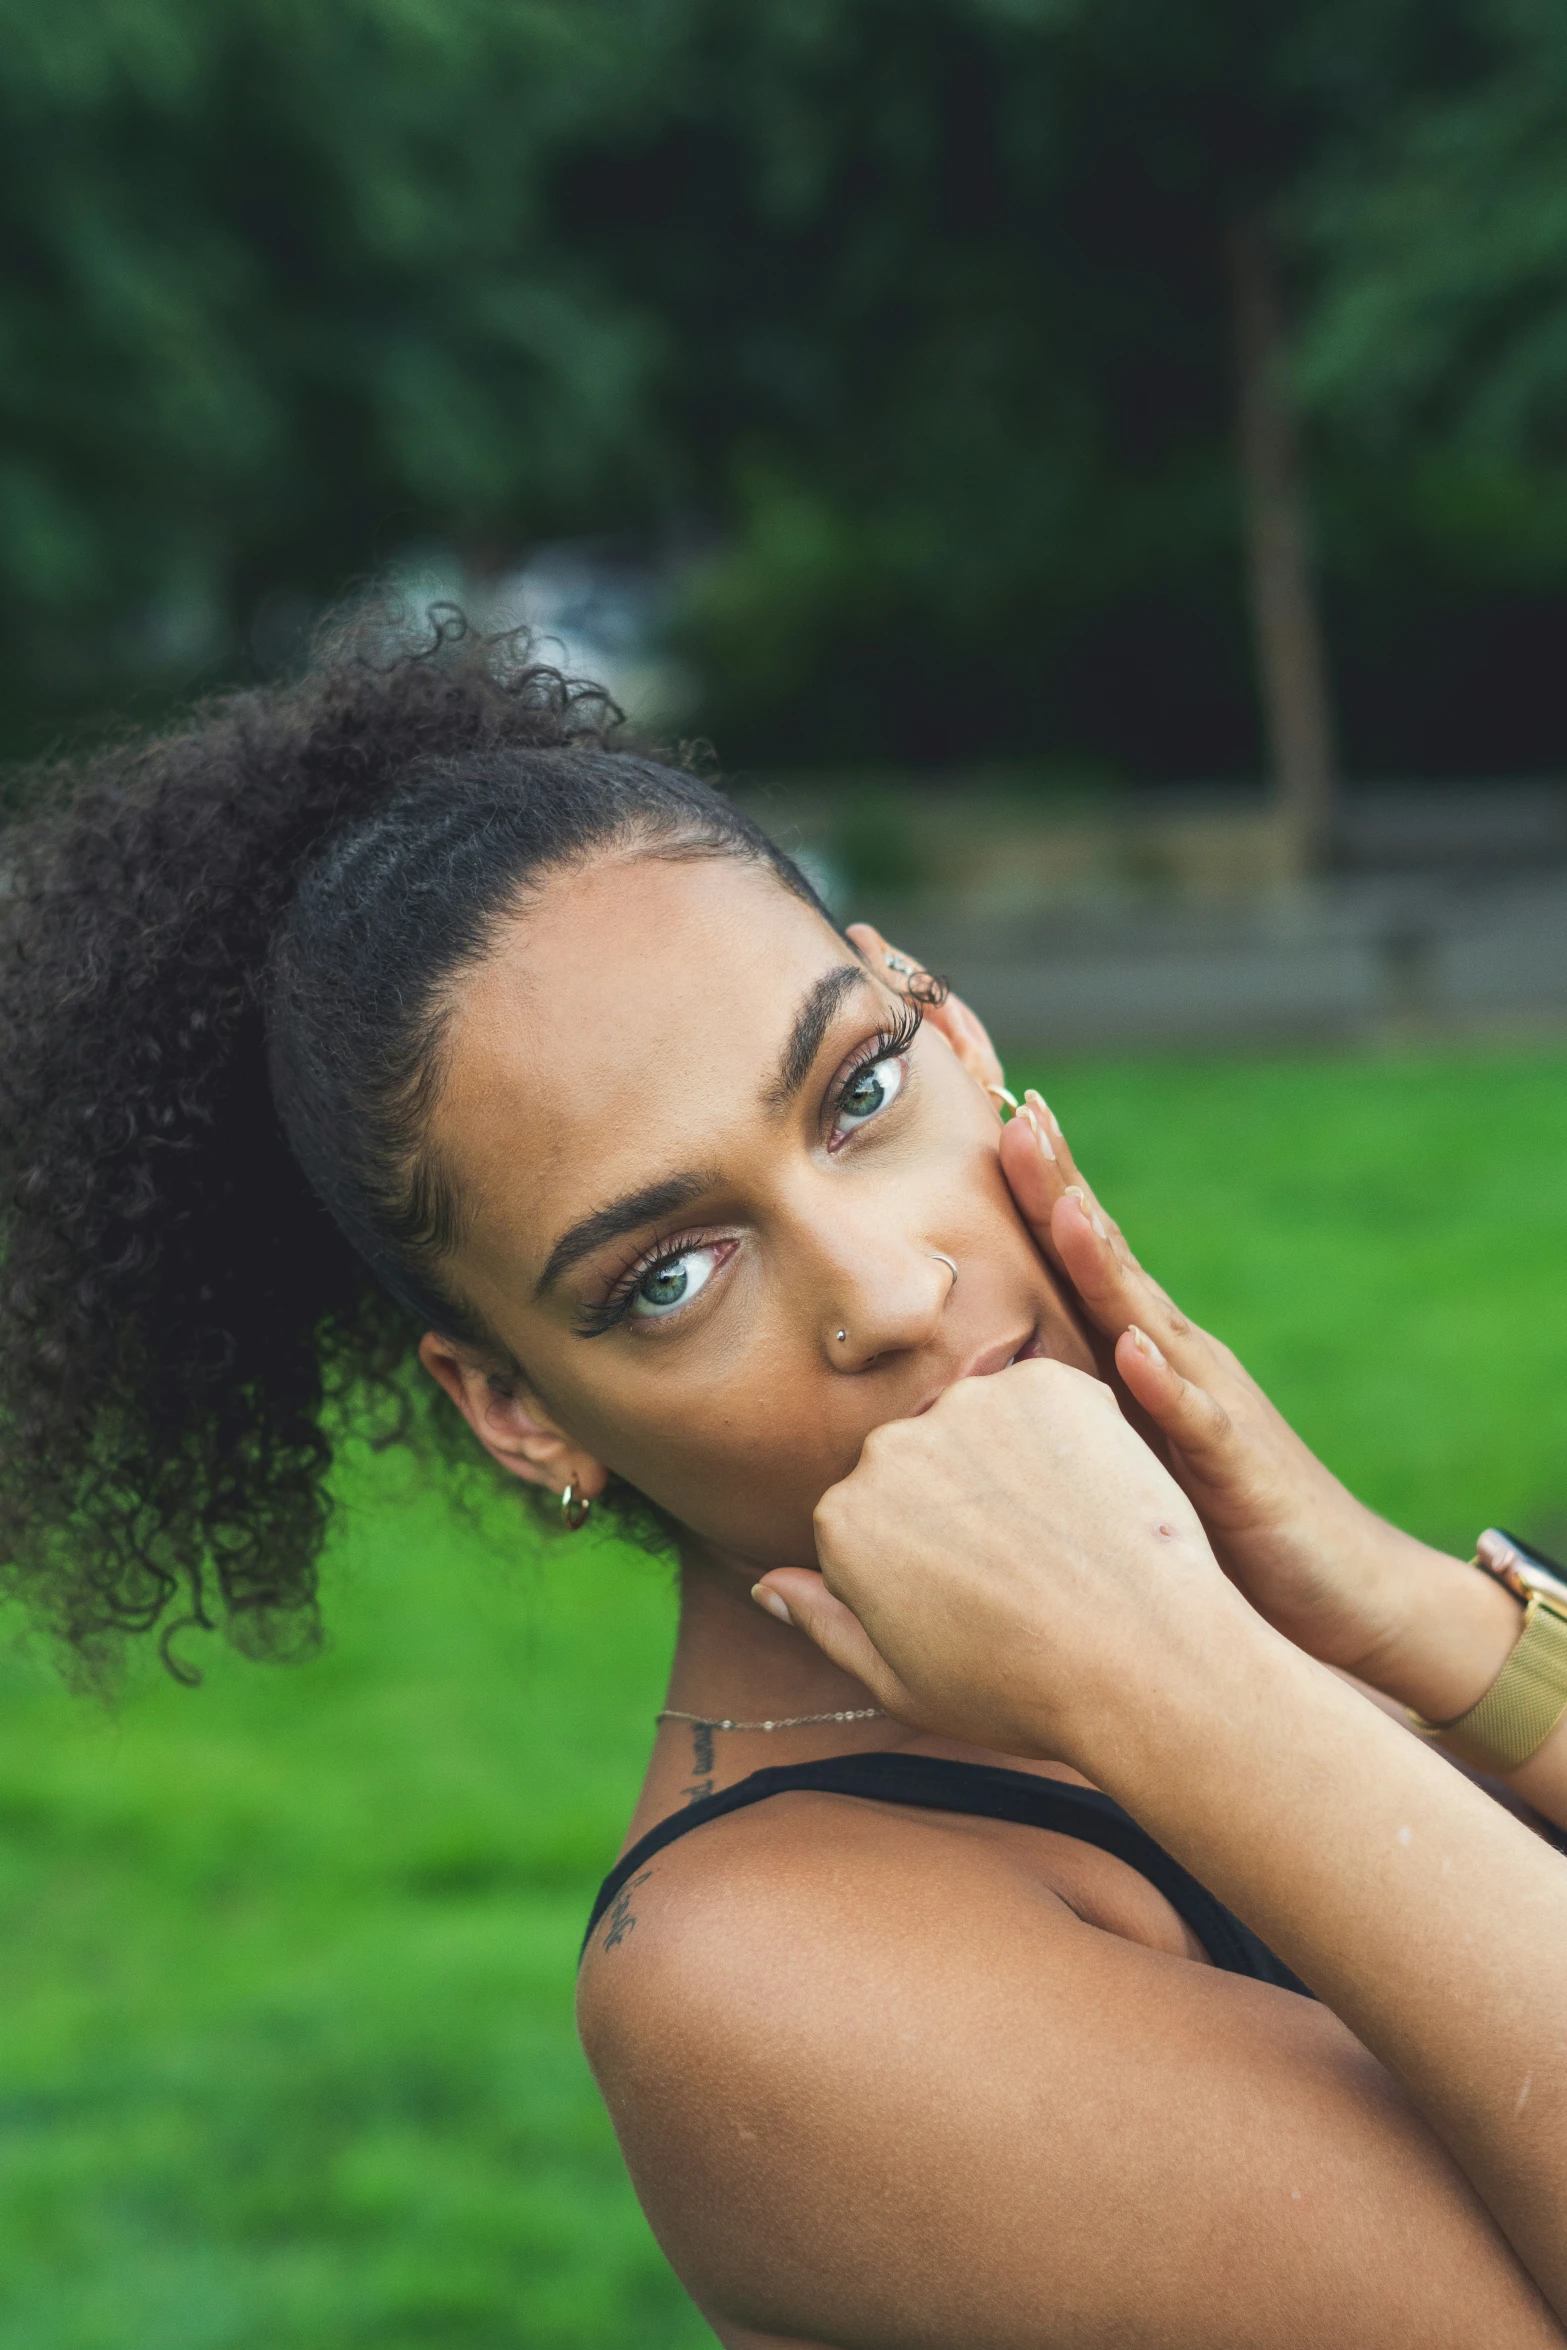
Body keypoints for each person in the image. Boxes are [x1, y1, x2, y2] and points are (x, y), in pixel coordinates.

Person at [2, 608, 1563, 2348]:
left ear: (955, 1032)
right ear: (521, 1409)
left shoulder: (1259, 1586)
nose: (891, 1289)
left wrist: (1414, 1610)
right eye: (666, 1273)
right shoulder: (751, 1982)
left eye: (859, 1089)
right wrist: (1170, 1675)